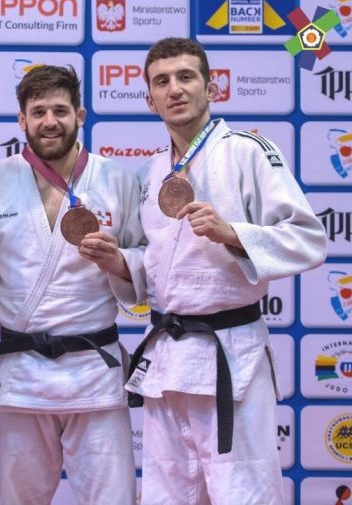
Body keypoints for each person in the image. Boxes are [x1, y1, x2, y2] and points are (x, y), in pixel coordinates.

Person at [125, 37, 327, 505]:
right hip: (168, 360)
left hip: (230, 359)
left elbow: (310, 239)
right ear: (150, 100)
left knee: (244, 495)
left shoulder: (248, 151)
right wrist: (118, 263)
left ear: (211, 88)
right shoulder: (150, 173)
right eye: (162, 81)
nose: (175, 89)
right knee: (166, 497)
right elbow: (156, 265)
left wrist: (232, 233)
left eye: (186, 77)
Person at [0, 65, 145, 504]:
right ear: (22, 120)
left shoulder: (117, 179)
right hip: (22, 373)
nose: (49, 121)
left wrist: (121, 262)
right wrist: (10, 323)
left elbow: (150, 258)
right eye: (38, 112)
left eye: (60, 111)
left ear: (80, 115)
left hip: (94, 372)